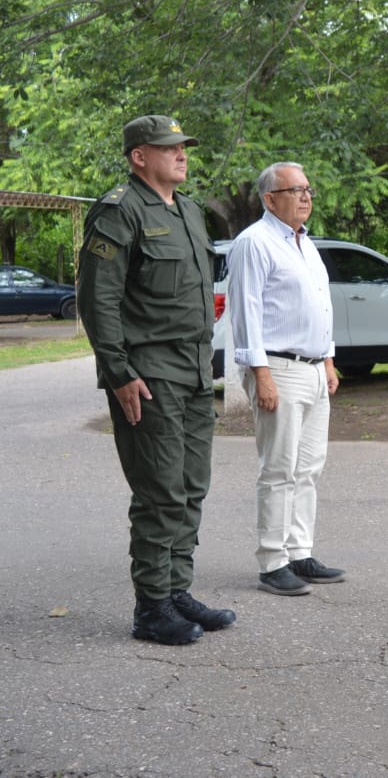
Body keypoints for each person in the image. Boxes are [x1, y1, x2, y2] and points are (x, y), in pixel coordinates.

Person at [78, 114, 236, 645]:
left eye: (183, 147)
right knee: (160, 490)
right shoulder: (120, 211)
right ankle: (151, 608)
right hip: (149, 374)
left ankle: (176, 590)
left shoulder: (188, 211)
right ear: (139, 156)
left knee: (192, 487)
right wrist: (118, 372)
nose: (181, 154)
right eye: (168, 148)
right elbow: (97, 299)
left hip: (192, 372)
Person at [227, 162, 346, 597]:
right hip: (278, 368)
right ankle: (272, 560)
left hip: (314, 370)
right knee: (278, 469)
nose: (305, 196)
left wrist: (329, 361)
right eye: (294, 189)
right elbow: (246, 312)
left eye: (308, 189)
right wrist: (260, 374)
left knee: (309, 468)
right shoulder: (254, 243)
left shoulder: (304, 243)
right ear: (269, 199)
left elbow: (322, 306)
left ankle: (300, 552)